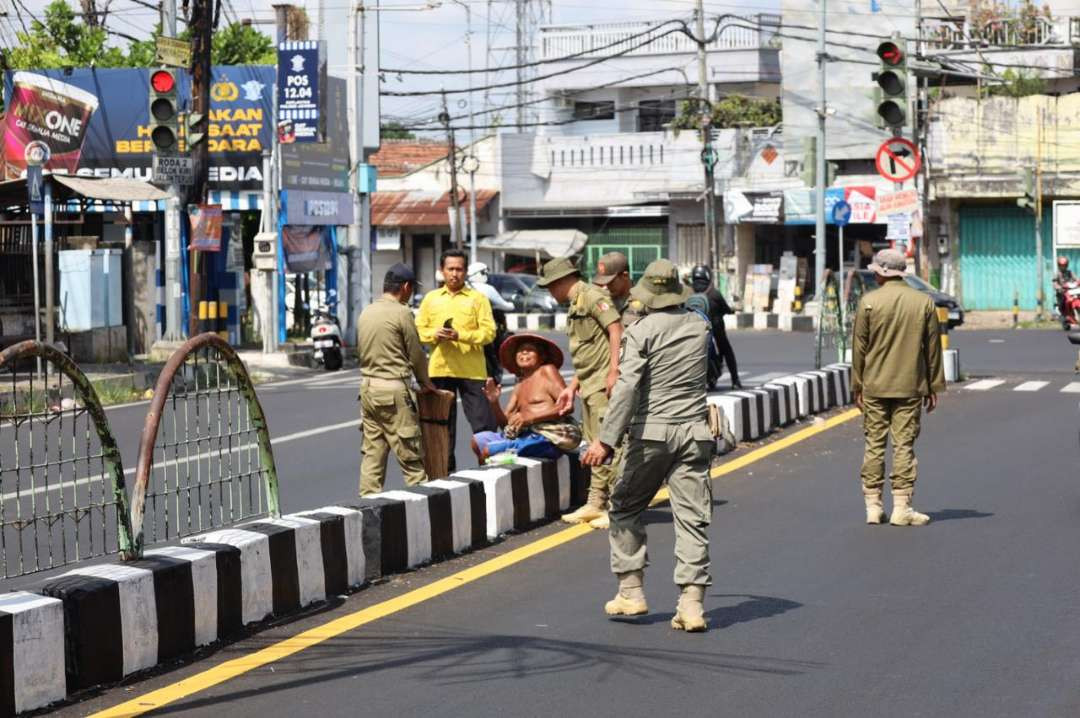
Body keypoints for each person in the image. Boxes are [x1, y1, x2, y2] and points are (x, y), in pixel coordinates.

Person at [581, 259, 714, 633]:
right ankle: (691, 605)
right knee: (692, 518)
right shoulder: (699, 327)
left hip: (652, 434)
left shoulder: (640, 331)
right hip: (694, 433)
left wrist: (605, 440)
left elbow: (625, 389)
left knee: (624, 506)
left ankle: (631, 591)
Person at [852, 248, 945, 527]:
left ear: (880, 273)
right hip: (910, 386)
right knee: (903, 445)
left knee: (874, 444)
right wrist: (933, 386)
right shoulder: (923, 302)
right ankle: (901, 507)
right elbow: (932, 348)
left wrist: (857, 386)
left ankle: (873, 506)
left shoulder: (868, 302)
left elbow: (859, 349)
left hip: (874, 386)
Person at [538, 256, 623, 530]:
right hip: (588, 383)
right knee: (593, 443)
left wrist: (615, 370)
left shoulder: (592, 297)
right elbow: (588, 351)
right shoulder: (576, 304)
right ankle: (595, 502)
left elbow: (615, 329)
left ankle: (617, 506)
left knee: (610, 445)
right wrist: (572, 386)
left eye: (551, 286)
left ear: (563, 281)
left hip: (602, 383)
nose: (550, 293)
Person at [357, 263, 438, 496]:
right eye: (411, 288)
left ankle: (368, 505)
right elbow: (415, 354)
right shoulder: (402, 313)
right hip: (394, 391)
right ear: (405, 287)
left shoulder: (367, 311)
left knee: (373, 454)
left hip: (368, 389)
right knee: (411, 457)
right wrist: (426, 382)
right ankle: (424, 510)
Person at [416, 248, 498, 473]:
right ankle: (445, 475)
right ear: (441, 271)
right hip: (440, 370)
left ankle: (491, 471)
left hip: (472, 372)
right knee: (442, 428)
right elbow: (418, 330)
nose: (454, 274)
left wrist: (460, 335)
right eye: (450, 269)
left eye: (459, 269)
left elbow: (489, 332)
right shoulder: (431, 299)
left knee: (483, 427)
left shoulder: (477, 299)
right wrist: (435, 334)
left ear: (465, 272)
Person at [471, 334, 582, 462]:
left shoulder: (547, 371)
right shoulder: (519, 385)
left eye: (530, 349)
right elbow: (506, 426)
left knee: (488, 451)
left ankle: (487, 478)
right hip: (525, 436)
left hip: (547, 437)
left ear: (542, 357)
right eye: (520, 350)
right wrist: (494, 403)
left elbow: (566, 407)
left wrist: (530, 418)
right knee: (477, 441)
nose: (524, 352)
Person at [689, 264, 741, 389]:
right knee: (726, 349)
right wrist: (729, 311)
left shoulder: (688, 292)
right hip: (715, 328)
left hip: (692, 328)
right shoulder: (714, 293)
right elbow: (726, 309)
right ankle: (735, 380)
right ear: (708, 276)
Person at [468, 262, 515, 382]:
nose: (486, 276)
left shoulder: (464, 287)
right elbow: (505, 306)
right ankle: (494, 376)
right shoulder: (486, 289)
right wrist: (511, 304)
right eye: (484, 273)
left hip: (466, 329)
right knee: (492, 353)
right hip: (485, 327)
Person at [592, 251, 644, 326]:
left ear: (625, 276)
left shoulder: (644, 299)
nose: (606, 285)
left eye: (610, 282)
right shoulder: (602, 299)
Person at [1053, 256, 1076, 320]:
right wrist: (1058, 287)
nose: (1063, 267)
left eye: (1064, 265)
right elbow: (1054, 282)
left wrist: (1077, 282)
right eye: (1061, 265)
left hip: (1071, 291)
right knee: (1062, 301)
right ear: (1059, 265)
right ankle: (1060, 313)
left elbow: (1076, 279)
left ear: (1067, 265)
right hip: (1062, 292)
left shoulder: (1070, 272)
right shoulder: (1057, 273)